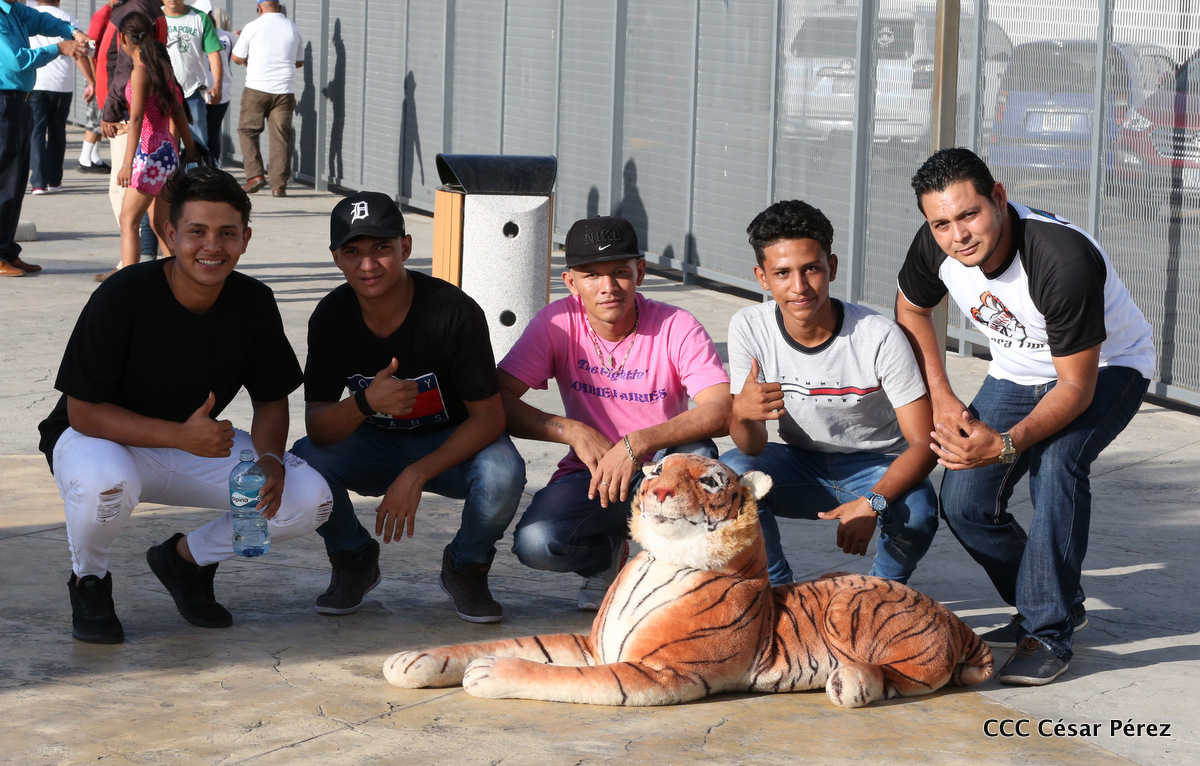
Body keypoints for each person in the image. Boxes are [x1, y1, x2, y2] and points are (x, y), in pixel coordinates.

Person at [37, 166, 333, 645]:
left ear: (245, 239)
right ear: (170, 234)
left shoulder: (254, 301)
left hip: (194, 445)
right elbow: (82, 413)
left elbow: (270, 398)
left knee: (308, 500)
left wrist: (271, 460)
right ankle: (89, 580)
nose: (212, 246)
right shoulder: (123, 294)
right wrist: (180, 435)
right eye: (197, 231)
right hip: (99, 440)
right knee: (105, 483)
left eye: (227, 233)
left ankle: (185, 560)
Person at [895, 147, 1155, 686]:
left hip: (1107, 367)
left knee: (1057, 466)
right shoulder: (935, 243)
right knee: (964, 501)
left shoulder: (1061, 258)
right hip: (1017, 372)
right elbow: (913, 309)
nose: (958, 235)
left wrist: (1005, 444)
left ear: (999, 197)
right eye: (942, 223)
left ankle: (1048, 632)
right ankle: (1054, 601)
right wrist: (942, 396)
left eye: (969, 215)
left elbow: (1075, 388)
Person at [290, 191, 525, 624]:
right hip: (375, 444)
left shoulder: (452, 311)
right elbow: (318, 427)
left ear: (406, 247)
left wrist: (416, 474)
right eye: (352, 252)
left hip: (453, 443)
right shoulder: (331, 316)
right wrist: (365, 402)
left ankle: (467, 566)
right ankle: (353, 558)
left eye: (381, 247)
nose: (368, 264)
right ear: (336, 258)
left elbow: (489, 417)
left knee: (503, 473)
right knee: (302, 465)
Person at [498, 215, 731, 610]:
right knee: (536, 543)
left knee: (700, 455)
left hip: (662, 467)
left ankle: (676, 573)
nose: (608, 287)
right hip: (593, 473)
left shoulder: (676, 325)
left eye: (620, 272)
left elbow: (720, 409)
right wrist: (571, 431)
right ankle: (606, 558)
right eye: (591, 275)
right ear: (571, 282)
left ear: (640, 272)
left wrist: (636, 443)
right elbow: (496, 398)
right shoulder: (556, 323)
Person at [719, 200, 939, 587]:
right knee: (730, 474)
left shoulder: (879, 336)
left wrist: (873, 501)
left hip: (877, 464)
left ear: (832, 267)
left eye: (811, 269)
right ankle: (777, 591)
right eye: (782, 273)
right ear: (762, 277)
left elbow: (924, 444)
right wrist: (741, 414)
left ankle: (883, 592)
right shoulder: (750, 327)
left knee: (918, 511)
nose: (799, 286)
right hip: (800, 464)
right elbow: (752, 446)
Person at [100, 10, 197, 283]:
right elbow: (175, 110)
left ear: (122, 39)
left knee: (128, 220)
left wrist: (127, 163)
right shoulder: (162, 67)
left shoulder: (139, 72)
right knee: (160, 225)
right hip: (166, 152)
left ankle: (127, 285)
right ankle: (181, 280)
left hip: (148, 156)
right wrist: (190, 149)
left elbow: (137, 118)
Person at [0, 0, 88, 278]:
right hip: (4, 102)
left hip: (18, 102)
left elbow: (43, 21)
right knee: (4, 181)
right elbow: (18, 60)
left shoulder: (13, 10)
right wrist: (59, 48)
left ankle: (7, 251)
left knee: (15, 183)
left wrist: (73, 32)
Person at [96, 0, 166, 226]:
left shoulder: (134, 11)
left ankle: (132, 247)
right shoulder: (143, 8)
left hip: (127, 113)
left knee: (124, 191)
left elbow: (126, 68)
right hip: (137, 111)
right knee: (146, 191)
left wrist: (110, 111)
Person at [231, 0, 302, 198]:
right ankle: (279, 186)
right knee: (280, 137)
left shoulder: (252, 27)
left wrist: (249, 53)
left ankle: (255, 176)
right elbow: (299, 62)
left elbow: (236, 58)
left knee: (247, 131)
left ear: (259, 8)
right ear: (279, 7)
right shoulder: (293, 28)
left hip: (257, 89)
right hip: (285, 91)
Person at [27, 0, 92, 194]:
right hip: (62, 84)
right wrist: (91, 81)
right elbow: (79, 54)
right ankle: (54, 181)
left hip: (36, 83)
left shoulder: (28, 16)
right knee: (57, 131)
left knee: (36, 132)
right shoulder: (67, 19)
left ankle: (38, 182)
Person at [161, 0, 221, 150]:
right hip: (161, 91)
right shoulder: (154, 17)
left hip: (192, 91)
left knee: (198, 142)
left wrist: (217, 84)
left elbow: (213, 53)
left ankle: (198, 165)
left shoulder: (200, 17)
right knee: (165, 143)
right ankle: (171, 165)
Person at [202, 7, 234, 163]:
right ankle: (213, 165)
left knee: (198, 134)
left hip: (199, 92)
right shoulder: (228, 36)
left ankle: (202, 167)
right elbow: (241, 56)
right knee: (213, 132)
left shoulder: (196, 35)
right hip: (222, 91)